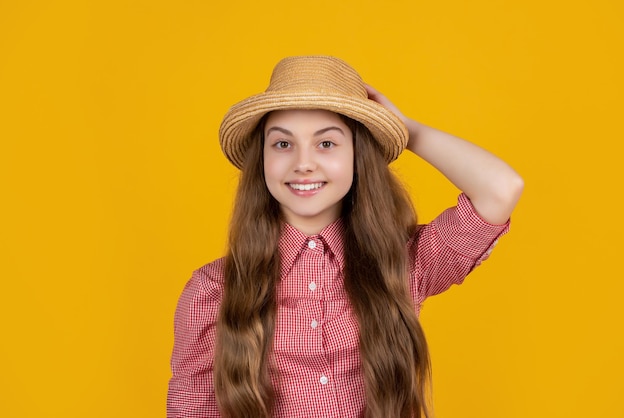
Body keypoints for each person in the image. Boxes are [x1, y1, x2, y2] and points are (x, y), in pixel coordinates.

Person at [167, 56, 523, 418]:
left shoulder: (402, 264)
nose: (303, 163)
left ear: (358, 155)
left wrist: (405, 130)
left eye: (326, 144)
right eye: (282, 144)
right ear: (261, 159)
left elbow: (501, 188)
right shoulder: (212, 291)